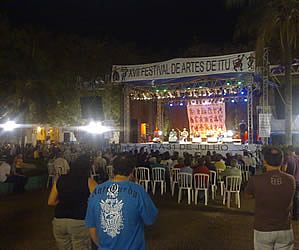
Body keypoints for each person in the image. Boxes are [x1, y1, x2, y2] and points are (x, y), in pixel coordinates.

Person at [85, 155, 158, 250]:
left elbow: (92, 228)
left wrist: (102, 246)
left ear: (113, 169)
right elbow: (150, 219)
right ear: (132, 170)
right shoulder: (138, 191)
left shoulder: (96, 190)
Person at [245, 146, 295, 250]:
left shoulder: (256, 180)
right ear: (281, 161)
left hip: (263, 229)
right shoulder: (291, 180)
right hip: (285, 229)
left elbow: (247, 195)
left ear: (264, 161)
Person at [48, 155, 97, 250]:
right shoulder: (89, 182)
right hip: (79, 221)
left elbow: (50, 201)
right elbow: (99, 201)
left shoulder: (60, 179)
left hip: (59, 220)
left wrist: (64, 201)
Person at [286, 146, 299, 220]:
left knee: (289, 198)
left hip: (291, 181)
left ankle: (288, 214)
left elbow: (284, 170)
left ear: (289, 151)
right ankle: (296, 215)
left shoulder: (288, 158)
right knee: (296, 198)